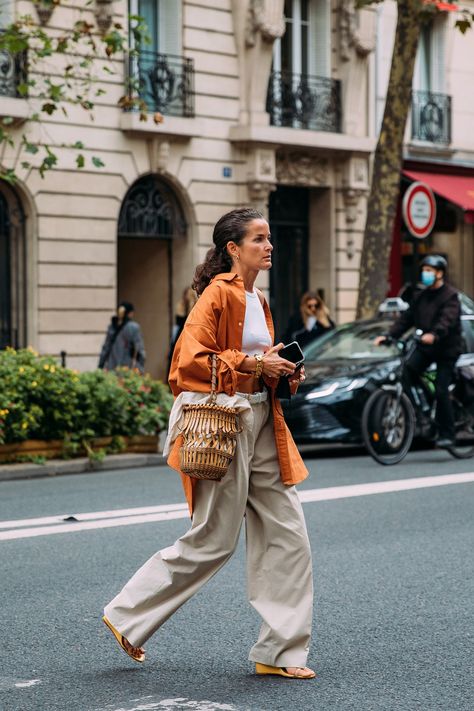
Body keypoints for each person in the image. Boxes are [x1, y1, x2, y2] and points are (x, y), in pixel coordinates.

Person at [102, 207, 315, 679]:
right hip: (226, 424)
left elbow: (252, 363)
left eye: (270, 237)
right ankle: (127, 615)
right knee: (212, 540)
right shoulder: (217, 295)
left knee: (289, 532)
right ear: (233, 249)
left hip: (263, 421)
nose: (269, 245)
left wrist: (280, 370)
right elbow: (189, 362)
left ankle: (279, 651)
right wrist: (257, 366)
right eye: (259, 238)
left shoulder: (259, 300)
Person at [374, 255, 463, 447]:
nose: (426, 274)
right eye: (425, 270)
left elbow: (447, 319)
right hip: (426, 347)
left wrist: (435, 334)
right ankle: (424, 412)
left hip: (446, 349)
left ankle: (447, 433)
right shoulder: (420, 296)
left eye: (430, 270)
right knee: (407, 370)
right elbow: (406, 319)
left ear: (440, 274)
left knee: (441, 388)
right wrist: (390, 336)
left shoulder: (450, 296)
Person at [98, 301, 146, 373]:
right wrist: (140, 368)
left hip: (112, 368)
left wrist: (100, 366)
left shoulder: (112, 327)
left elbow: (105, 348)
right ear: (130, 313)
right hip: (127, 369)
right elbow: (139, 350)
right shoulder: (133, 327)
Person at [167, 286, 198, 375]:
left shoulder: (195, 307)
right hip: (180, 335)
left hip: (189, 335)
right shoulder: (180, 306)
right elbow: (177, 325)